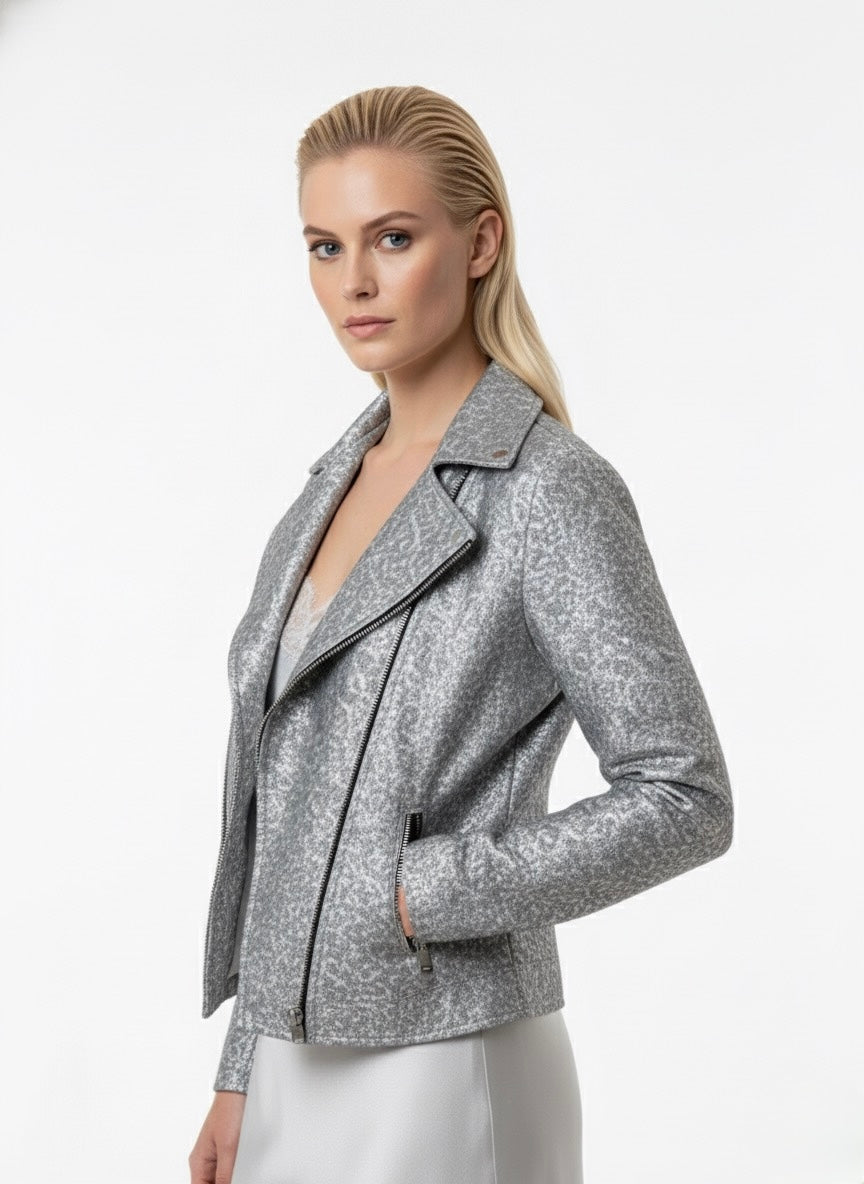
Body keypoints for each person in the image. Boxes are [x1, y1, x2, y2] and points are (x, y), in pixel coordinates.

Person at [188, 84, 734, 1184]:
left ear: (480, 243)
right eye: (325, 245)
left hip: (448, 1055)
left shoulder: (549, 489)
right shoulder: (323, 492)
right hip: (292, 1060)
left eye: (393, 238)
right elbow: (286, 809)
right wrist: (243, 1067)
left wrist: (422, 893)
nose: (354, 281)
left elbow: (686, 795)